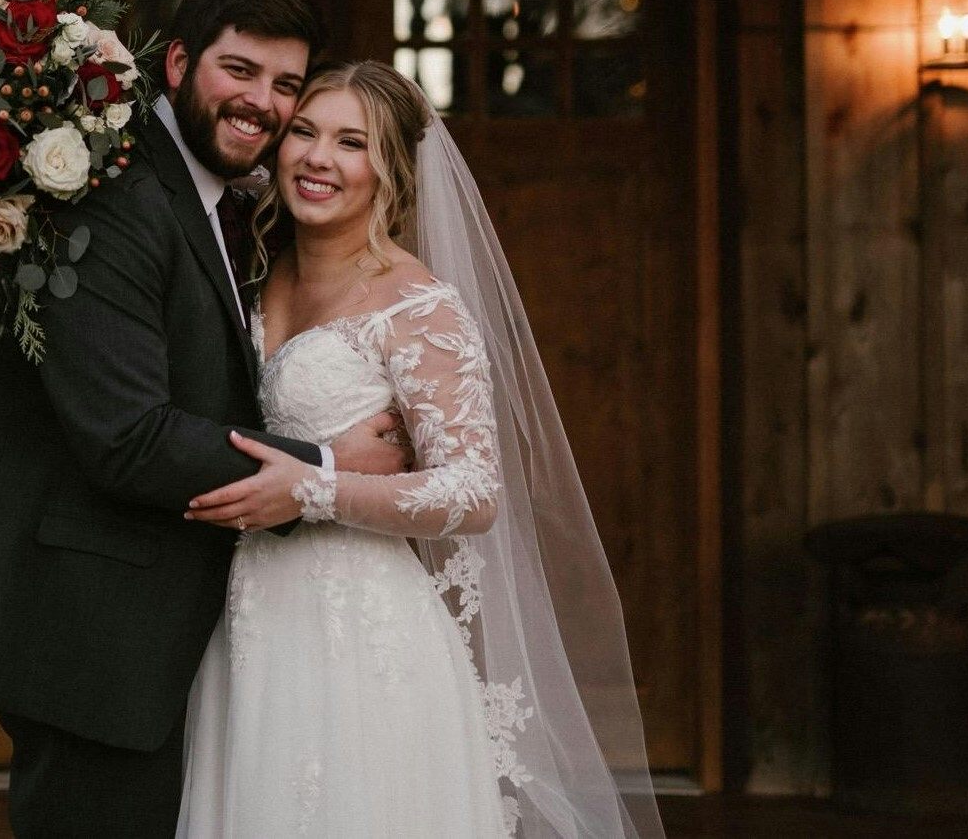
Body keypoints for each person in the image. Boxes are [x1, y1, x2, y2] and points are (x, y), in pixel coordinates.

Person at [0, 0, 409, 837]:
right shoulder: (112, 196)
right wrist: (330, 468)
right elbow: (128, 438)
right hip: (89, 621)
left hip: (157, 617)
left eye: (285, 84)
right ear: (178, 64)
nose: (262, 103)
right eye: (239, 70)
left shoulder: (222, 201)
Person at [177, 61, 668, 838]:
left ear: (391, 171)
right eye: (303, 132)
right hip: (246, 615)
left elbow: (473, 492)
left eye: (351, 143)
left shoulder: (416, 306)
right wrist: (331, 456)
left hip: (360, 634)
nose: (317, 158)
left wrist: (314, 488)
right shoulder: (253, 269)